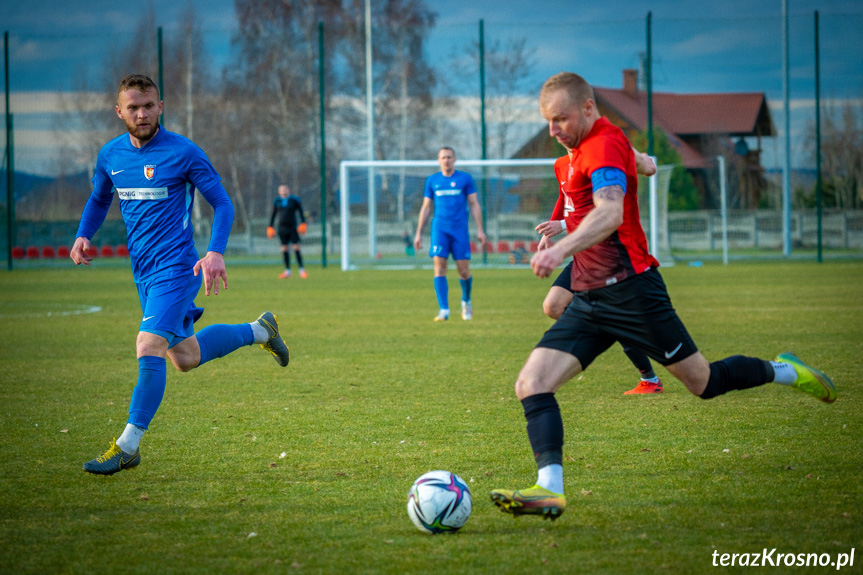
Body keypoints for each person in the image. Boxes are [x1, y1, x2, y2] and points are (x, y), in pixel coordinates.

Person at [490, 72, 836, 521]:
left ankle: (786, 370)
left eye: (561, 119)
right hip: (591, 298)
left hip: (634, 293)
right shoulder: (586, 150)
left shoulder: (601, 144)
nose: (553, 130)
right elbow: (642, 165)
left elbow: (611, 212)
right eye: (548, 121)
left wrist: (558, 249)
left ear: (589, 109)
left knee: (704, 383)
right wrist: (644, 163)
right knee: (531, 384)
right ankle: (548, 490)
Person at [70, 74, 291, 476]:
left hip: (177, 269)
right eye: (133, 107)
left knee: (148, 343)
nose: (141, 114)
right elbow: (100, 198)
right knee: (185, 358)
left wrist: (215, 253)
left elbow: (222, 204)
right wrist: (85, 234)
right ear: (119, 112)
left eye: (148, 106)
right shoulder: (110, 156)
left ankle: (128, 446)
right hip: (144, 273)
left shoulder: (183, 152)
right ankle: (261, 330)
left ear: (160, 107)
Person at [535, 149, 663, 395]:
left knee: (617, 321)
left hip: (607, 255)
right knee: (553, 306)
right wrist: (550, 232)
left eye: (564, 122)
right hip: (583, 255)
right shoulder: (560, 164)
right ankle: (601, 327)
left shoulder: (599, 159)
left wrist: (561, 225)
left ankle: (650, 378)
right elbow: (565, 199)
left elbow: (603, 209)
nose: (559, 131)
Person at [414, 147, 487, 321]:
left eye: (449, 157)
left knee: (463, 271)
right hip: (439, 229)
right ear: (438, 160)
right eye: (442, 157)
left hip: (459, 230)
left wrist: (480, 229)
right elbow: (426, 207)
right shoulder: (432, 181)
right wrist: (418, 233)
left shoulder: (465, 179)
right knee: (439, 267)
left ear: (454, 159)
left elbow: (474, 204)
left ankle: (466, 301)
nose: (446, 160)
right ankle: (444, 309)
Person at [267, 184, 308, 279]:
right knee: (284, 249)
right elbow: (273, 214)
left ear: (288, 190)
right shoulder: (277, 201)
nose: (283, 191)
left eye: (285, 189)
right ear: (279, 191)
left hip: (293, 228)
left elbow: (301, 212)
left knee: (296, 247)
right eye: (281, 190)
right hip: (282, 228)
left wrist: (303, 223)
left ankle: (302, 270)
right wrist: (270, 226)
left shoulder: (294, 200)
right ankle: (287, 271)